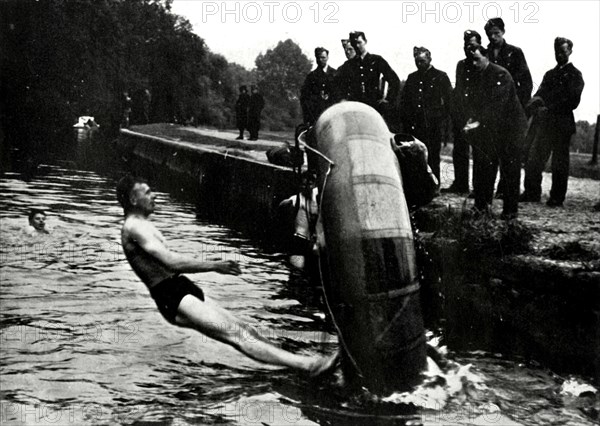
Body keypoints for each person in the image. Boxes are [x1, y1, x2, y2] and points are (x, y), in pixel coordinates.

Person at [116, 175, 338, 374]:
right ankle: (309, 366)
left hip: (180, 287)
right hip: (170, 295)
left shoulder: (143, 225)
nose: (153, 196)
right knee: (236, 335)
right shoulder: (134, 227)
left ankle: (295, 364)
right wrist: (215, 265)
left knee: (244, 329)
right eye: (147, 192)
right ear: (133, 200)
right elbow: (170, 262)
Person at [463, 45, 528, 219]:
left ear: (486, 57)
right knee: (485, 166)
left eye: (477, 59)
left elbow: (496, 106)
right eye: (471, 60)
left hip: (511, 129)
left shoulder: (500, 74)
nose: (474, 63)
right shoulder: (477, 77)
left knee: (510, 170)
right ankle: (482, 207)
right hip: (492, 128)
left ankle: (510, 211)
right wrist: (471, 119)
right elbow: (475, 103)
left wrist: (476, 122)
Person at [520, 37, 585, 207]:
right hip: (545, 124)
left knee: (559, 163)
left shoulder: (575, 75)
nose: (560, 54)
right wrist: (534, 103)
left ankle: (557, 197)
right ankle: (532, 192)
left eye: (563, 51)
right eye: (557, 51)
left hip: (562, 125)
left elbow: (573, 100)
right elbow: (540, 93)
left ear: (570, 51)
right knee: (534, 158)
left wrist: (549, 107)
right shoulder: (550, 74)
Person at [484, 18, 533, 199]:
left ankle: (505, 188)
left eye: (497, 33)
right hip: (490, 109)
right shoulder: (485, 52)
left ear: (503, 32)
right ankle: (485, 190)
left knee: (509, 152)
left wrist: (520, 105)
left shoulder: (514, 53)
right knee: (490, 151)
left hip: (510, 108)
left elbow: (526, 81)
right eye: (490, 34)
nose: (494, 37)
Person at [400, 46, 452, 184]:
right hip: (415, 125)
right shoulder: (412, 78)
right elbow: (405, 102)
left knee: (433, 156)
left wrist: (441, 120)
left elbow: (449, 102)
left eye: (422, 61)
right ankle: (418, 186)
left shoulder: (440, 76)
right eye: (417, 61)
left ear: (429, 59)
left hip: (433, 125)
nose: (419, 64)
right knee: (416, 155)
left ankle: (434, 185)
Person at [442, 30, 481, 194]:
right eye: (466, 45)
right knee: (459, 150)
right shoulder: (461, 65)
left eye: (472, 45)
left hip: (478, 114)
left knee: (479, 152)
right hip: (462, 113)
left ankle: (479, 188)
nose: (468, 48)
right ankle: (461, 183)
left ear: (479, 44)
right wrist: (454, 110)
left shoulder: (483, 63)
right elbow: (459, 89)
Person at [335, 31, 400, 124]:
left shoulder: (376, 60)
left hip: (374, 108)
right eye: (354, 43)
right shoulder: (348, 65)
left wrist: (388, 100)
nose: (357, 46)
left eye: (359, 42)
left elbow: (394, 80)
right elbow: (337, 84)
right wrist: (342, 99)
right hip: (355, 109)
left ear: (365, 41)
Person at [278, 171, 319, 270]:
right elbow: (283, 205)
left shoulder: (317, 197)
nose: (306, 187)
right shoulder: (295, 199)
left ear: (314, 185)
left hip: (314, 241)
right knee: (297, 271)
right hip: (299, 240)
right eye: (303, 185)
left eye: (309, 184)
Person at [300, 48, 337, 126]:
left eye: (323, 57)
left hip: (332, 113)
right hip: (316, 115)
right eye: (318, 58)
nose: (320, 60)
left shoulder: (335, 74)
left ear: (327, 57)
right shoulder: (311, 76)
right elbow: (305, 97)